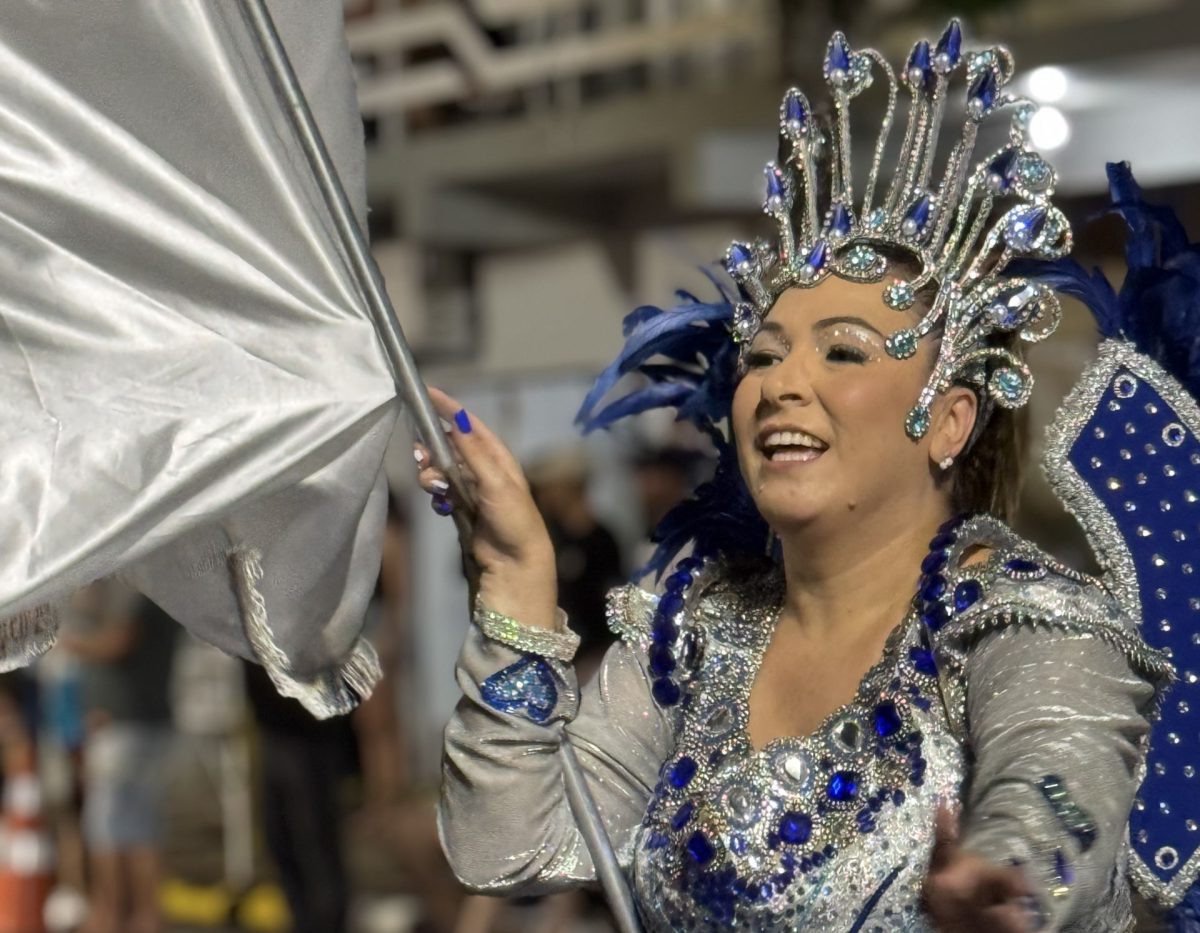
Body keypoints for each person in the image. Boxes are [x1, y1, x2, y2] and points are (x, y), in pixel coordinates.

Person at [421, 21, 1175, 932]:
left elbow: (1058, 788)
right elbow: (513, 847)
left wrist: (1007, 880)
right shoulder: (693, 631)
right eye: (765, 355)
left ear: (948, 421)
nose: (780, 383)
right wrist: (515, 581)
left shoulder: (1022, 624)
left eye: (844, 353)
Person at [60, 582, 177, 933]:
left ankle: (108, 915)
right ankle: (145, 915)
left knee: (106, 829)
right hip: (146, 725)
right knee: (141, 828)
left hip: (122, 728)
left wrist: (69, 642)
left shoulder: (139, 597)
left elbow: (117, 642)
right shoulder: (164, 596)